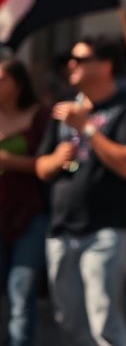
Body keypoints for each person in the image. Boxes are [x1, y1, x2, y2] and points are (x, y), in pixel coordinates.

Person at [34, 36, 126, 346]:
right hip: (62, 227)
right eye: (70, 59)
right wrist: (56, 159)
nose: (71, 65)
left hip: (106, 228)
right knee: (67, 318)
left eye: (81, 59)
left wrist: (87, 128)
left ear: (106, 65)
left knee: (104, 318)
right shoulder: (65, 110)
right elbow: (41, 167)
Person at [0, 58, 48, 346]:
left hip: (29, 214)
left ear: (18, 84)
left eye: (1, 78)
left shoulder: (39, 117)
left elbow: (50, 164)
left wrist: (10, 161)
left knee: (21, 291)